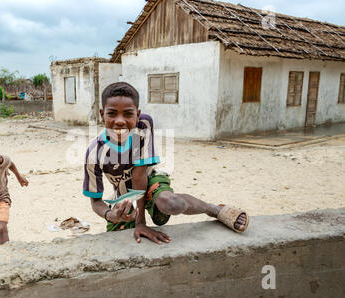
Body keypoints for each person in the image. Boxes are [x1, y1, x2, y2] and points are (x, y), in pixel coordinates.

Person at [83, 82, 249, 245]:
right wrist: (111, 215)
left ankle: (215, 210)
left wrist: (140, 222)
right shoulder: (94, 153)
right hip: (125, 195)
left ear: (138, 114)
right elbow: (96, 201)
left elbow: (139, 174)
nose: (120, 121)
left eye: (128, 114)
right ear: (102, 114)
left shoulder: (144, 125)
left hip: (149, 179)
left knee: (171, 204)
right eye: (112, 113)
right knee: (118, 240)